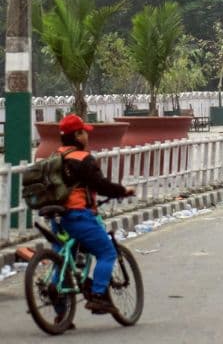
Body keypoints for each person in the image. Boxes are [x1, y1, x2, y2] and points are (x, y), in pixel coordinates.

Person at [55, 114, 136, 314]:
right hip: (79, 216)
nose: (87, 137)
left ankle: (60, 316)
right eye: (84, 133)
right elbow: (101, 185)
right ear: (78, 135)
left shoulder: (55, 157)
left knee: (62, 262)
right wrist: (122, 190)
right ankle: (99, 295)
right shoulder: (83, 159)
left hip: (57, 218)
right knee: (107, 253)